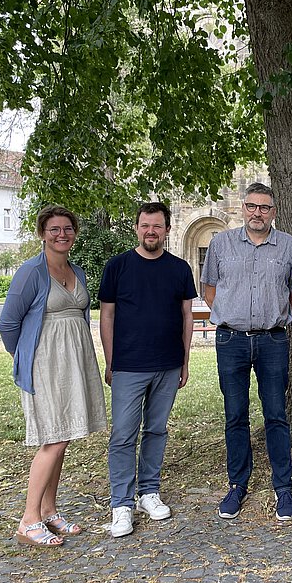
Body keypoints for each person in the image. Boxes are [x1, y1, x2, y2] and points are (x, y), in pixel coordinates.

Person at [0, 205, 106, 546]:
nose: (62, 234)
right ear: (42, 234)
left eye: (68, 228)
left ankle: (48, 510)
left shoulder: (77, 271)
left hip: (74, 361)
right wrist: (26, 358)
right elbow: (8, 323)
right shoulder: (31, 272)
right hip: (45, 364)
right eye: (54, 229)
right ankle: (28, 520)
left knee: (64, 435)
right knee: (53, 438)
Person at [201, 182, 292, 521]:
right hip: (231, 340)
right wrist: (233, 315)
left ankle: (283, 487)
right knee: (235, 414)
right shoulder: (221, 243)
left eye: (264, 207)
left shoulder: (288, 246)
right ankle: (237, 484)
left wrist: (270, 314)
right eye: (251, 206)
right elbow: (210, 290)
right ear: (243, 208)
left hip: (272, 340)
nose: (257, 213)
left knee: (276, 414)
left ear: (273, 212)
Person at [99, 201, 197, 537]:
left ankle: (148, 493)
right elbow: (107, 316)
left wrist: (184, 361)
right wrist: (111, 361)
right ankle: (121, 504)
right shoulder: (118, 266)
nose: (150, 231)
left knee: (156, 430)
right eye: (145, 225)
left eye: (157, 226)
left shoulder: (179, 269)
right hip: (128, 365)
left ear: (167, 230)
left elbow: (187, 316)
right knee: (123, 435)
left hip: (167, 364)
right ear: (136, 228)